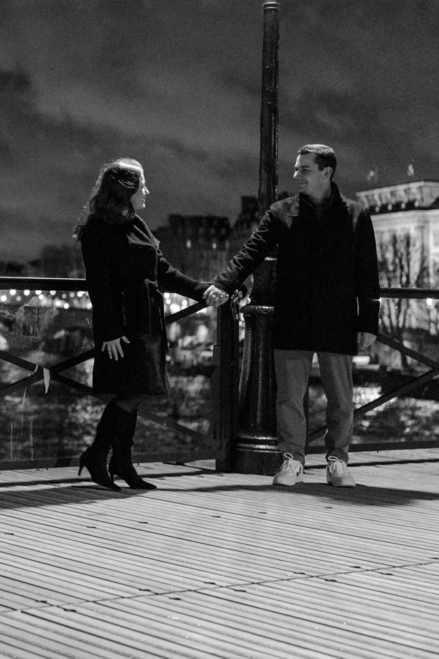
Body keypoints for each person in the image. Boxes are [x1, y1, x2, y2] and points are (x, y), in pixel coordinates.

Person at [207, 144, 379, 487]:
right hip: (294, 315)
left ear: (326, 173)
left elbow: (368, 273)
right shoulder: (281, 212)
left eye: (304, 169)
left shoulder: (357, 215)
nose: (296, 175)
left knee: (341, 399)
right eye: (296, 168)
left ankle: (337, 461)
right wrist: (224, 283)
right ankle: (292, 460)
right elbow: (251, 252)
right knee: (289, 397)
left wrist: (368, 323)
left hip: (337, 317)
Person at [75, 158, 225, 491]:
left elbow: (165, 272)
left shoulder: (137, 224)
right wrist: (110, 331)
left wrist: (204, 290)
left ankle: (120, 461)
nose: (147, 191)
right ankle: (100, 454)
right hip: (125, 326)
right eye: (142, 185)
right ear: (126, 189)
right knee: (134, 390)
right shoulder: (99, 227)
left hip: (147, 321)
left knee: (138, 391)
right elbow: (98, 284)